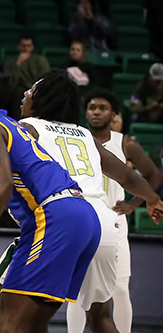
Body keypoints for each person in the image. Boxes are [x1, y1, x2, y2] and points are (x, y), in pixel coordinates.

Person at [0, 71, 163, 333]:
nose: (24, 95)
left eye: (31, 91)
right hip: (102, 224)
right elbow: (127, 175)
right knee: (100, 318)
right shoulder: (84, 134)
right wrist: (151, 198)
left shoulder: (26, 129)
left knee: (8, 317)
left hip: (61, 218)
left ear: (43, 99)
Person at [0, 67, 101, 333]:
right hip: (81, 215)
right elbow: (1, 183)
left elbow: (3, 184)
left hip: (54, 217)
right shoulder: (10, 126)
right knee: (15, 319)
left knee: (9, 325)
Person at [79, 88, 163, 330]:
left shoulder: (125, 143)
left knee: (119, 288)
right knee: (76, 289)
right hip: (85, 219)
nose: (96, 112)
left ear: (114, 114)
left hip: (115, 223)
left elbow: (153, 175)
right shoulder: (76, 139)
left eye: (102, 108)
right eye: (92, 107)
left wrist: (132, 204)